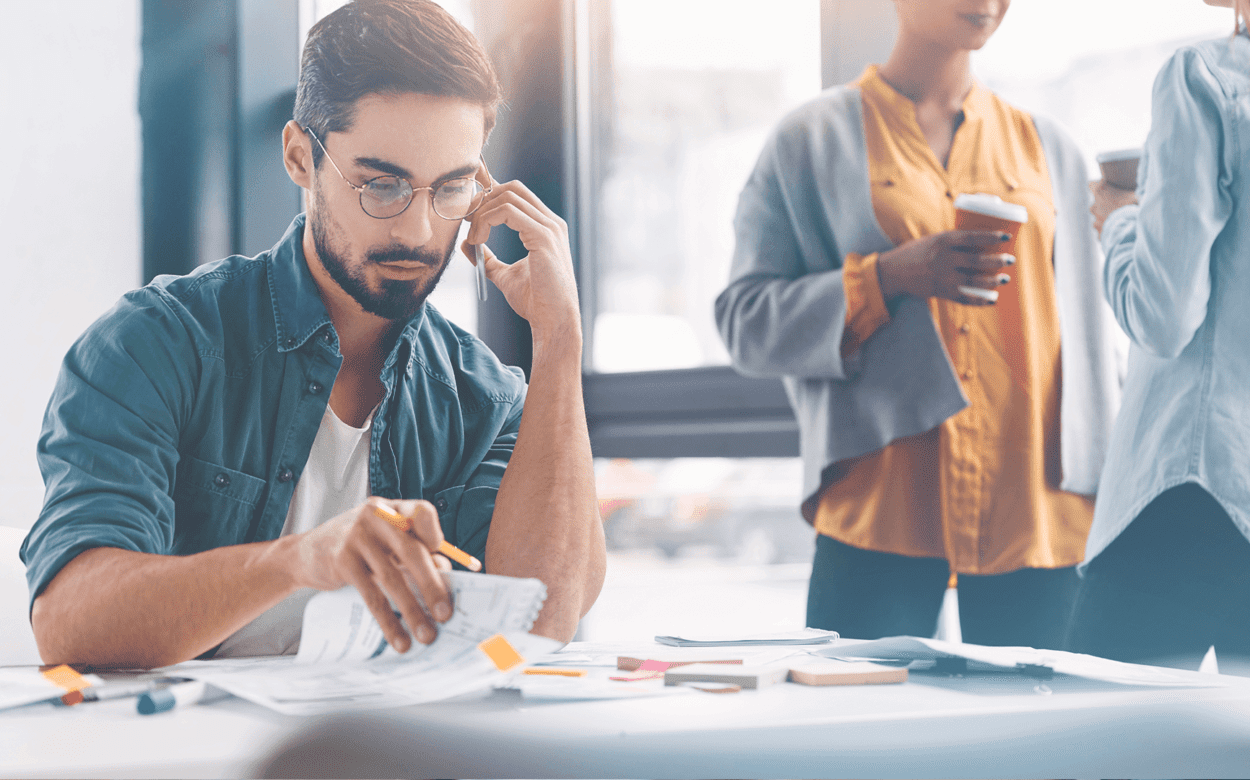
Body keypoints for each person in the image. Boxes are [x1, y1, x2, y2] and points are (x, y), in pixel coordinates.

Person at [21, 0, 605, 669]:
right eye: (381, 187)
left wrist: (560, 340)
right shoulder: (155, 344)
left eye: (449, 190)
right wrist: (302, 558)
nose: (416, 233)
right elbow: (70, 622)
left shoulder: (482, 397)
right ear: (301, 156)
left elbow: (544, 622)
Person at [715, 0, 1122, 646]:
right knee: (862, 738)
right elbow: (744, 323)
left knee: (1044, 741)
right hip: (880, 507)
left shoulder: (1054, 150)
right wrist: (887, 277)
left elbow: (1099, 340)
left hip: (1039, 512)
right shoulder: (809, 139)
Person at [1068, 0, 1250, 669]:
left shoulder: (1203, 77)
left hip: (1196, 485)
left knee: (1099, 752)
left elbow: (1163, 317)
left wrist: (1120, 222)